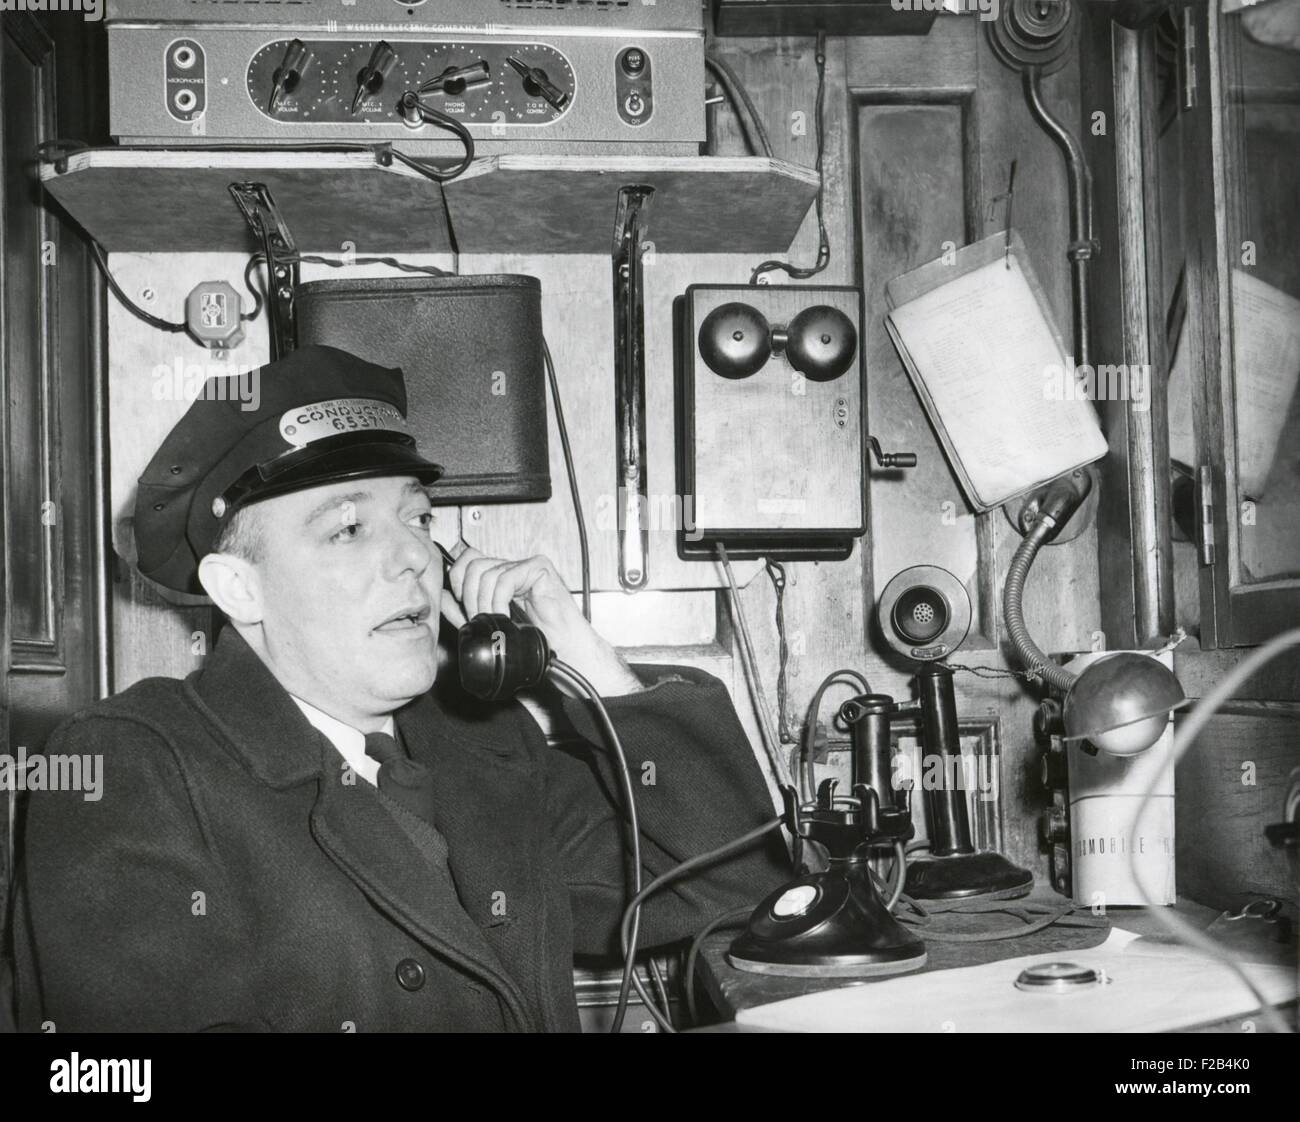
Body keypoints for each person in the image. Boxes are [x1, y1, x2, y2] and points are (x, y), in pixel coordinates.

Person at [11, 345, 788, 1032]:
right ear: (239, 590)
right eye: (349, 528)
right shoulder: (132, 769)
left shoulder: (484, 746)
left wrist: (588, 659)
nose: (414, 556)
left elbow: (732, 884)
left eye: (418, 518)